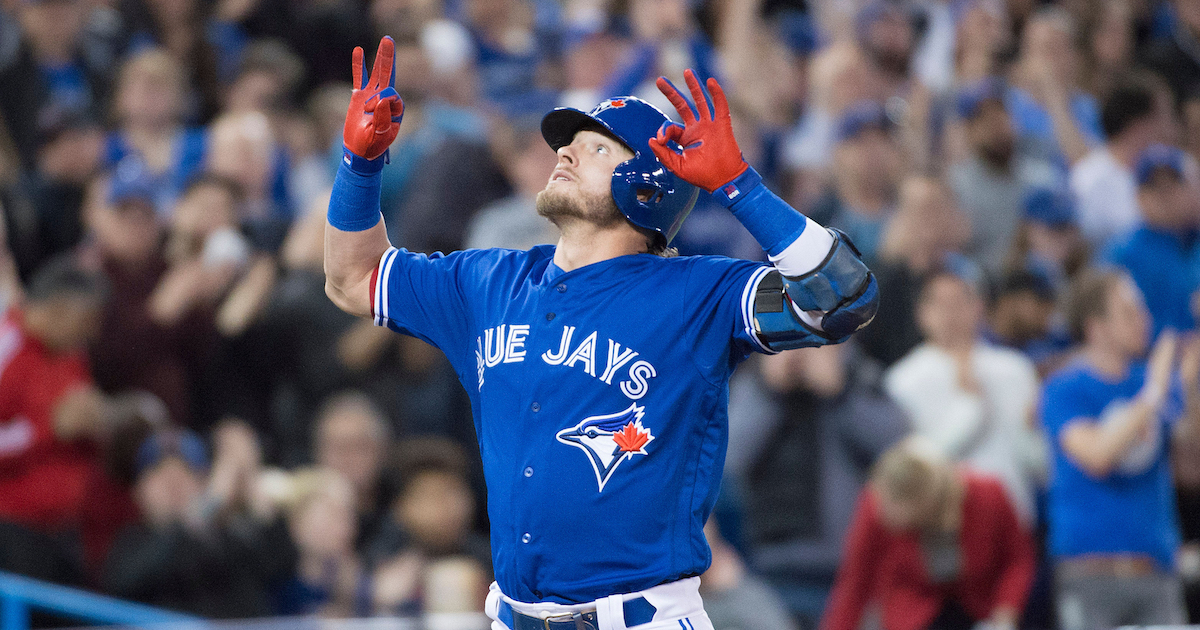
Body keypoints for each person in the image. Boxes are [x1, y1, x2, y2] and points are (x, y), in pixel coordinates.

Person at [324, 37, 878, 629]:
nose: (563, 152)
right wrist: (360, 168)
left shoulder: (696, 295)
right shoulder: (489, 279)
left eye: (592, 147)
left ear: (647, 184)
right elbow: (353, 279)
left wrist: (740, 185)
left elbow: (844, 298)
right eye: (567, 142)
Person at [1040, 268, 1197, 628]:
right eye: (1129, 313)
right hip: (1090, 572)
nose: (1144, 321)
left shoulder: (1150, 382)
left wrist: (1189, 390)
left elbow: (1191, 468)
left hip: (1155, 570)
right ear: (1096, 327)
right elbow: (1097, 456)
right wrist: (1155, 393)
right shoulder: (1066, 389)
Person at [884, 265, 1046, 524]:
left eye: (961, 302)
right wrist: (969, 408)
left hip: (1014, 520)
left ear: (979, 307)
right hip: (941, 526)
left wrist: (1035, 434)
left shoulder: (1015, 369)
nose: (952, 314)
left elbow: (1037, 462)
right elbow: (911, 469)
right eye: (941, 304)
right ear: (922, 313)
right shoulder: (902, 381)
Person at [821, 438, 1036, 630]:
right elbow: (854, 584)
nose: (887, 516)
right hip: (914, 617)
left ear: (926, 504)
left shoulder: (988, 495)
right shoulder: (876, 505)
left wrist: (1005, 615)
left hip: (982, 611)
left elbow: (1017, 561)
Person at [1104, 144, 1200, 337]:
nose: (1165, 195)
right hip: (1144, 361)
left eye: (1172, 185)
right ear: (1139, 196)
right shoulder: (1122, 253)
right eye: (1154, 187)